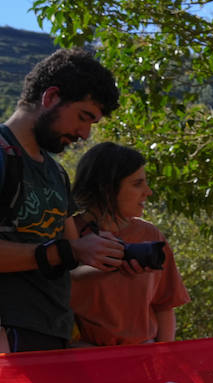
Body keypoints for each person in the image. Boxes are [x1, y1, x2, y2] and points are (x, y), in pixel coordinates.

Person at [0, 48, 125, 352]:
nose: (84, 133)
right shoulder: (3, 155)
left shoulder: (57, 173)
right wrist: (67, 251)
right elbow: (63, 250)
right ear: (51, 97)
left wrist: (112, 259)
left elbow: (69, 256)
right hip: (9, 337)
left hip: (52, 335)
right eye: (83, 117)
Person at [69, 142, 189, 346]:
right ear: (107, 188)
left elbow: (164, 306)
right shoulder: (68, 233)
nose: (148, 191)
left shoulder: (150, 234)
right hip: (82, 360)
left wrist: (163, 357)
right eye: (137, 184)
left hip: (142, 359)